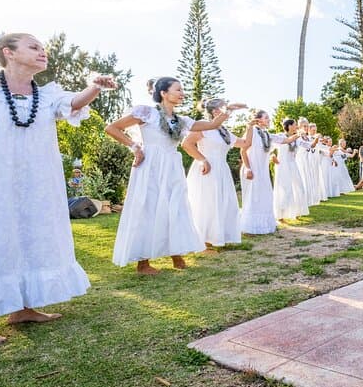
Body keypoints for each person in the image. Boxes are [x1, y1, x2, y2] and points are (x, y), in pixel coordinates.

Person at [0, 33, 114, 348]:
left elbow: (72, 103)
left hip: (37, 185)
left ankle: (22, 309)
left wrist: (95, 86)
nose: (42, 52)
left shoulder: (46, 95)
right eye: (34, 47)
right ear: (8, 52)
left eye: (44, 48)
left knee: (30, 239)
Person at [107, 77, 230, 275]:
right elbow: (112, 128)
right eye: (178, 90)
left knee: (176, 207)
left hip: (172, 166)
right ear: (163, 93)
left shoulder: (182, 121)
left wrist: (227, 110)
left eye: (182, 90)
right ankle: (143, 263)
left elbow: (212, 124)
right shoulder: (146, 112)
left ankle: (176, 255)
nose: (182, 93)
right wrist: (134, 147)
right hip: (151, 166)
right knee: (148, 208)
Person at [183, 98, 254, 250]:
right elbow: (186, 144)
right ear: (215, 112)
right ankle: (202, 240)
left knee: (222, 202)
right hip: (207, 169)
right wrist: (202, 160)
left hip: (222, 169)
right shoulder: (203, 127)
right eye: (224, 107)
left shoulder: (224, 132)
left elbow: (245, 144)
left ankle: (215, 237)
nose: (227, 110)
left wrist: (249, 127)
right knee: (207, 202)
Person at [235, 109, 282, 234]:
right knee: (253, 198)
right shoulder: (251, 131)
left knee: (265, 196)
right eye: (266, 117)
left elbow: (284, 140)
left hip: (263, 170)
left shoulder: (266, 134)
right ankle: (250, 228)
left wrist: (297, 134)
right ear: (258, 120)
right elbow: (243, 151)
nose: (269, 120)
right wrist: (248, 168)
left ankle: (265, 226)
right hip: (252, 169)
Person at [270, 118, 311, 220]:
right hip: (282, 165)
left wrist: (315, 140)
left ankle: (297, 211)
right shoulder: (281, 136)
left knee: (298, 187)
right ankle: (280, 214)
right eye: (295, 124)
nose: (296, 126)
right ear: (289, 126)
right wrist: (272, 156)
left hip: (293, 165)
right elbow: (269, 147)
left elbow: (309, 146)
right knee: (284, 188)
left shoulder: (297, 139)